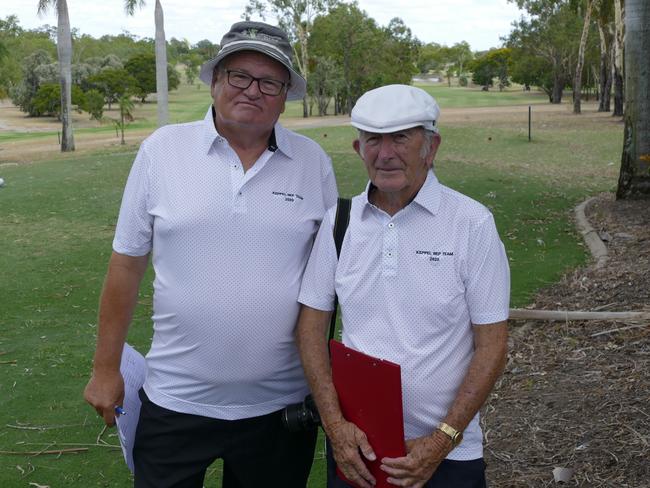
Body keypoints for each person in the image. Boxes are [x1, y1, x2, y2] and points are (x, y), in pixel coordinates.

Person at [83, 21, 338, 488]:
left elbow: (325, 287)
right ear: (216, 80)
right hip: (176, 401)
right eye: (239, 75)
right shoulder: (162, 151)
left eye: (269, 82)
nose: (253, 91)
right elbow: (126, 265)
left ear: (285, 95)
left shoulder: (312, 163)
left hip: (280, 410)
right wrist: (105, 369)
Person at [296, 84, 510, 488]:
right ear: (359, 149)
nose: (386, 152)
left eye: (401, 137)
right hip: (359, 448)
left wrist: (440, 440)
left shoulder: (471, 223)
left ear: (431, 147)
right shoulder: (339, 222)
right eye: (373, 139)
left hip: (448, 452)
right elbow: (310, 329)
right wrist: (336, 428)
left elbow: (493, 345)